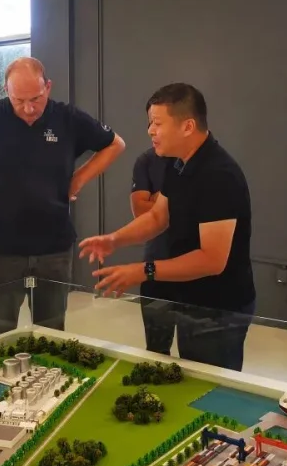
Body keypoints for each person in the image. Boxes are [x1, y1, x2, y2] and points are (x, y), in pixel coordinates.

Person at [0, 57, 125, 338]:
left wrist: (78, 179)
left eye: (36, 99)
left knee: (52, 333)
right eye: (19, 100)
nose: (29, 108)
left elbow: (115, 144)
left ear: (48, 87)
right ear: (5, 90)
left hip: (53, 247)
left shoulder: (68, 118)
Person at [79, 83, 254, 371]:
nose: (150, 131)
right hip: (188, 299)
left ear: (188, 126)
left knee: (207, 386)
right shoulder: (178, 164)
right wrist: (114, 240)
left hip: (218, 311)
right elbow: (158, 217)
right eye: (150, 123)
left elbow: (212, 260)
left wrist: (143, 270)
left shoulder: (218, 175)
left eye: (157, 123)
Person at [131, 147, 177, 355]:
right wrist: (171, 199)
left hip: (196, 268)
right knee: (157, 349)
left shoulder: (205, 163)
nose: (152, 132)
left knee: (198, 355)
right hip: (156, 265)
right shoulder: (146, 160)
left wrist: (157, 200)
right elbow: (141, 212)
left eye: (158, 127)